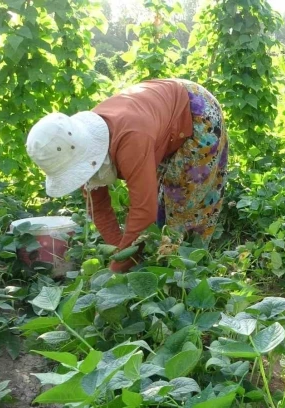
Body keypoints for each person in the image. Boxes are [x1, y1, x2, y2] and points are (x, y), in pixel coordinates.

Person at [26, 79, 229, 272]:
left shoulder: (130, 139)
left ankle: (192, 268)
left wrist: (118, 270)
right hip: (158, 116)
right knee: (159, 202)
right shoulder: (74, 145)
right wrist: (120, 253)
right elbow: (99, 208)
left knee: (184, 202)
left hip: (196, 112)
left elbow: (143, 211)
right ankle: (161, 263)